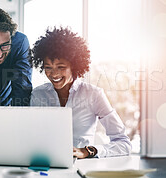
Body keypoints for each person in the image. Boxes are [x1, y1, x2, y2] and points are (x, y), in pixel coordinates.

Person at [30, 27, 132, 158]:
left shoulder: (93, 95)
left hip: (81, 166)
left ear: (74, 66)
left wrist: (87, 151)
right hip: (45, 164)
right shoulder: (38, 95)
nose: (54, 74)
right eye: (48, 67)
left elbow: (123, 143)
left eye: (61, 67)